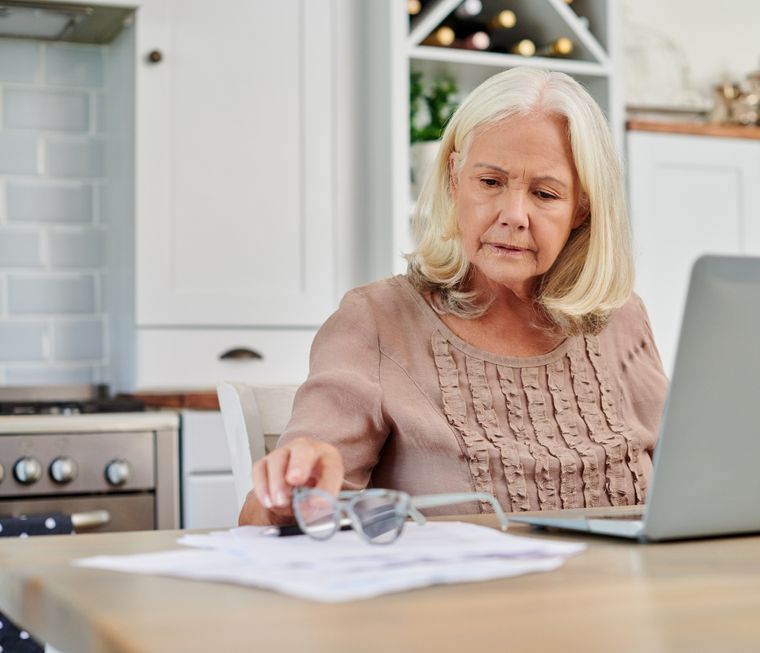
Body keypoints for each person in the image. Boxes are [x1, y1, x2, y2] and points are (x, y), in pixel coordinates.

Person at [240, 66, 669, 526]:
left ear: (582, 207)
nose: (514, 215)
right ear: (453, 178)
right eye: (490, 182)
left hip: (624, 595)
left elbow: (697, 483)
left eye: (545, 193)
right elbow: (262, 523)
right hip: (454, 599)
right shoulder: (376, 320)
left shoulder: (621, 319)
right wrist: (290, 492)